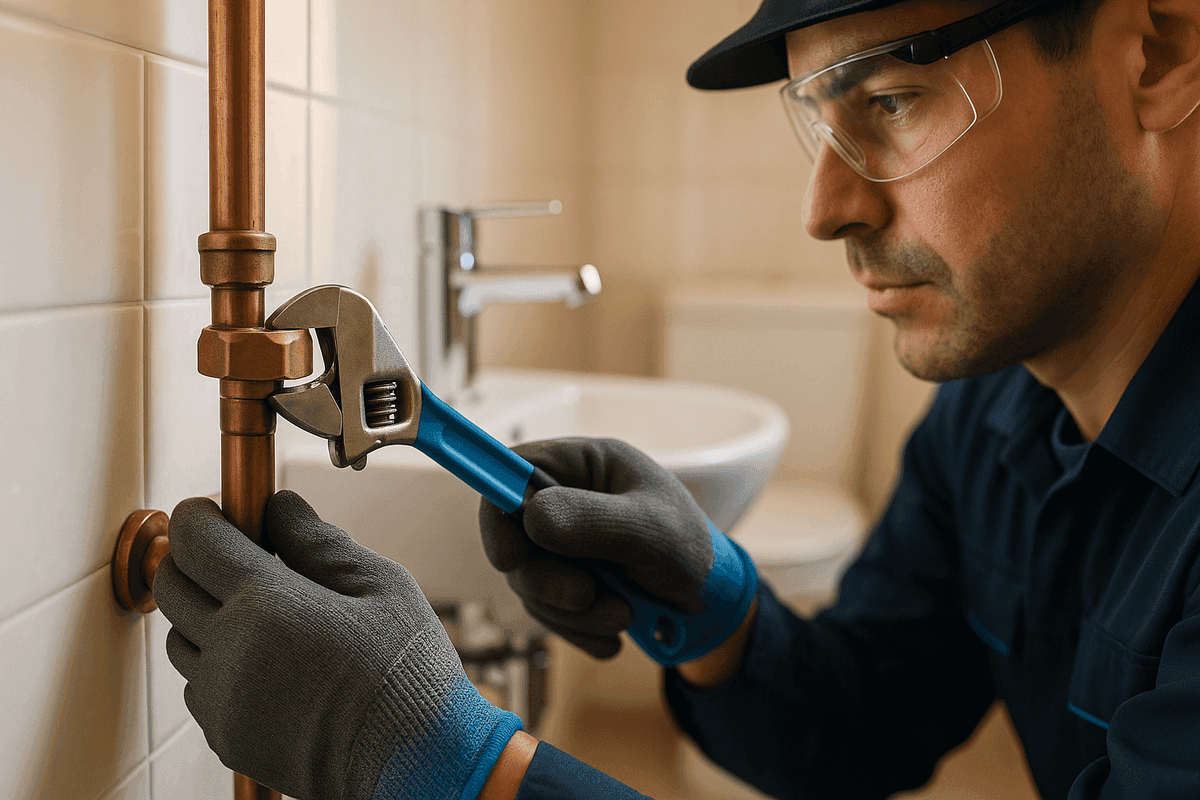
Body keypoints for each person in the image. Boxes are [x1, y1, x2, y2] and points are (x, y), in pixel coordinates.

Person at [154, 0, 1200, 795]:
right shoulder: (992, 415)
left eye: (892, 101)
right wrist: (717, 609)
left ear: (1156, 50)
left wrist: (449, 760)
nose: (827, 209)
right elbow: (865, 716)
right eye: (823, 125)